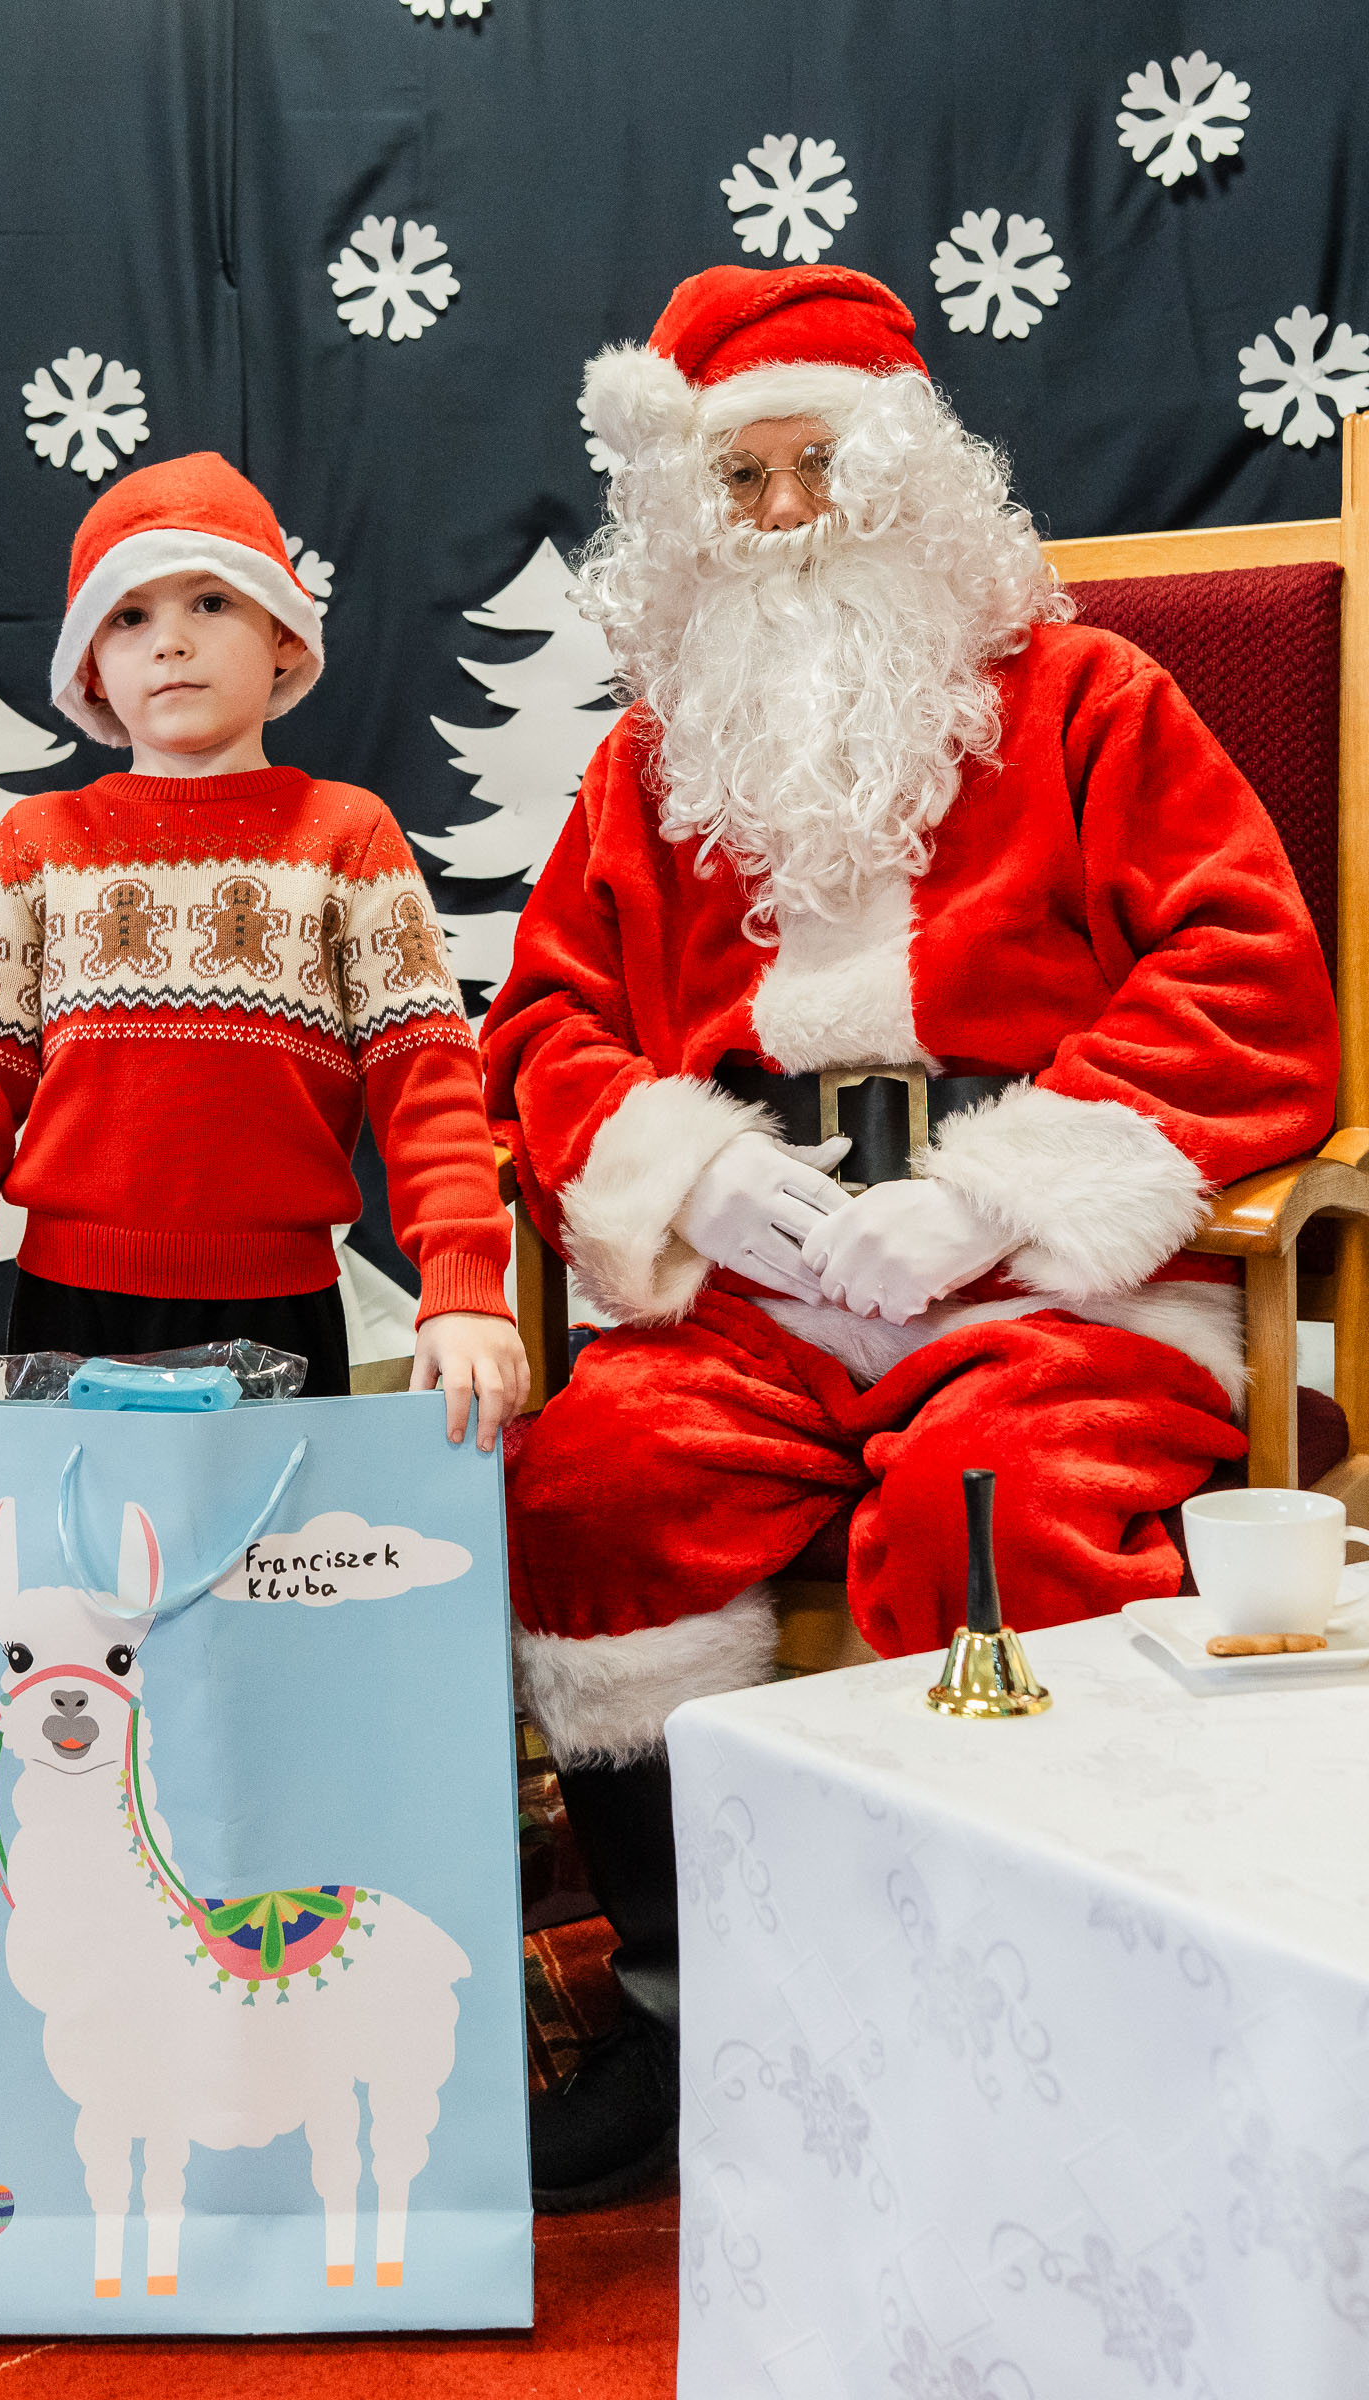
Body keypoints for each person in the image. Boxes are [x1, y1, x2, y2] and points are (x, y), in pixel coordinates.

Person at [484, 262, 1338, 2208]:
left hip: (1043, 1284)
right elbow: (540, 1025)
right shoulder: (648, 765)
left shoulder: (1095, 705)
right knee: (594, 1488)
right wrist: (689, 1173)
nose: (786, 516)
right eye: (743, 480)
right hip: (756, 1294)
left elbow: (1245, 980)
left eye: (824, 467)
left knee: (1001, 1508)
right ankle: (690, 2020)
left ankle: (1053, 2016)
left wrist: (989, 1195)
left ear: (916, 474)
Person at [0, 450, 528, 1456]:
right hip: (65, 1311)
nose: (170, 641)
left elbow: (428, 1083)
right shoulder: (37, 845)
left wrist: (464, 1285)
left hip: (284, 1313)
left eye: (211, 602)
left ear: (284, 634)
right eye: (129, 616)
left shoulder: (348, 837)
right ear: (89, 665)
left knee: (277, 1555)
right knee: (88, 1557)